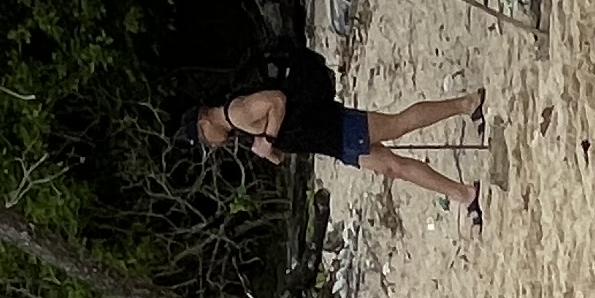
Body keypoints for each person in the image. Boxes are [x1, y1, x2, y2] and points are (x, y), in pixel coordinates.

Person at [194, 55, 484, 217]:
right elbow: (283, 143)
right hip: (333, 141)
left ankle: (466, 104)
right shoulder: (238, 124)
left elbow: (276, 101)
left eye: (204, 139)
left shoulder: (237, 112)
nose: (211, 145)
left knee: (400, 125)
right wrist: (269, 149)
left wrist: (267, 140)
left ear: (205, 122)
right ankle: (463, 194)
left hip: (334, 128)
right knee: (395, 168)